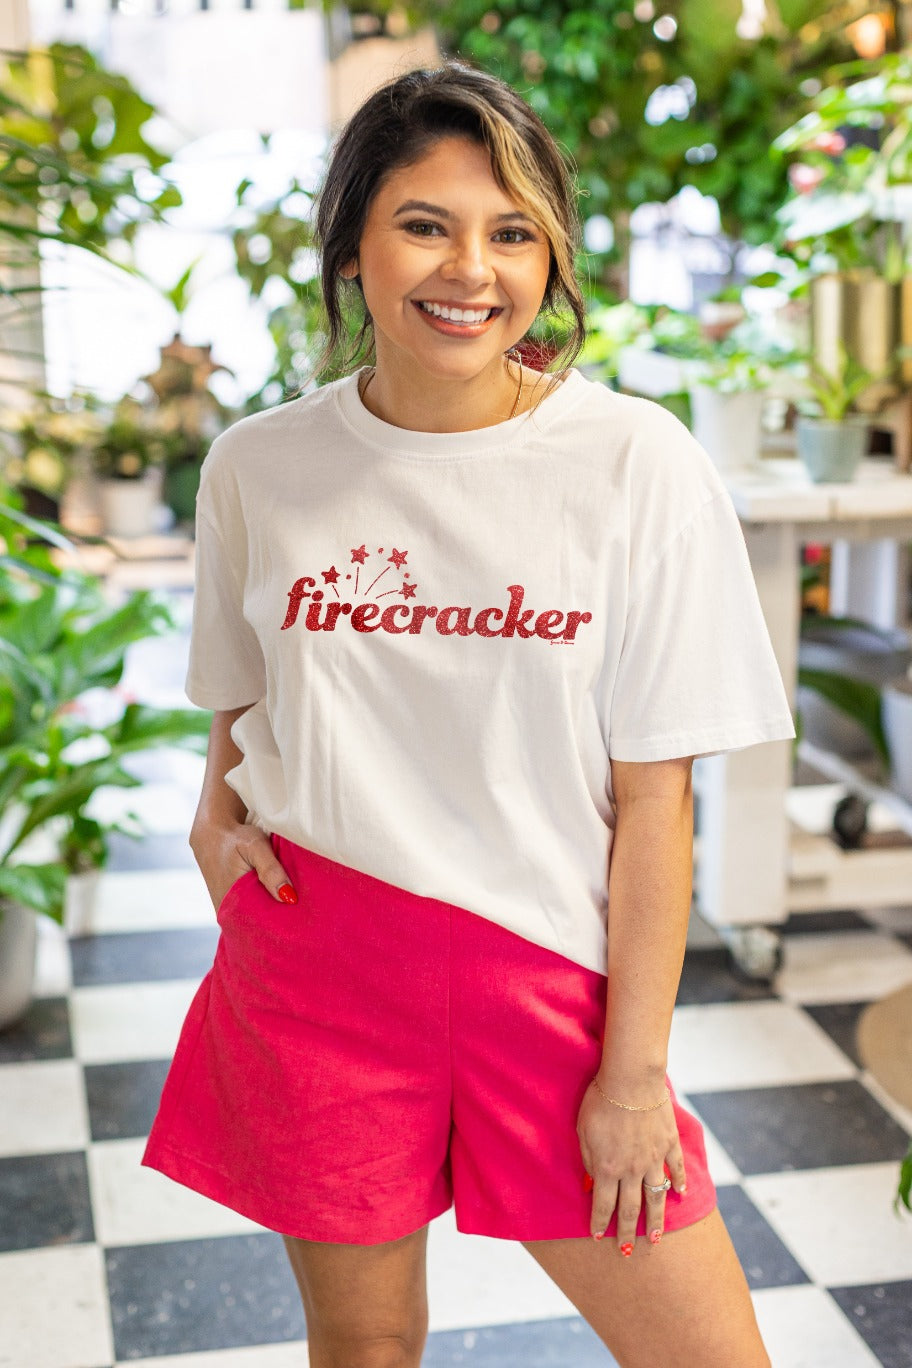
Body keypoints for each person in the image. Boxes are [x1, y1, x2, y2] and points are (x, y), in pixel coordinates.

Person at [143, 61, 796, 1368]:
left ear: (551, 260)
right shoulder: (258, 468)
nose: (470, 270)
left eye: (512, 233)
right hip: (322, 970)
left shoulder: (636, 464)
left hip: (549, 982)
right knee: (368, 1347)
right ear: (352, 246)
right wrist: (215, 828)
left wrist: (632, 1073)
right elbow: (241, 704)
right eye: (425, 225)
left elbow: (658, 804)